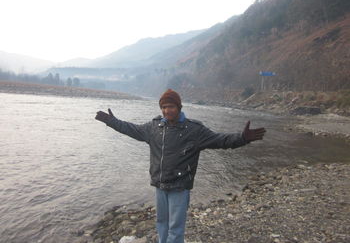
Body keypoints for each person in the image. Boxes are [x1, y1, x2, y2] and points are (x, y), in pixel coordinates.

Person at [95, 89, 266, 243]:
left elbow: (220, 140)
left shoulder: (194, 130)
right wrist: (112, 121)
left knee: (175, 228)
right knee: (162, 223)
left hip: (179, 187)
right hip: (160, 185)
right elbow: (131, 129)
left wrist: (242, 138)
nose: (166, 110)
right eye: (163, 107)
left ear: (179, 107)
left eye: (170, 106)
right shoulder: (155, 127)